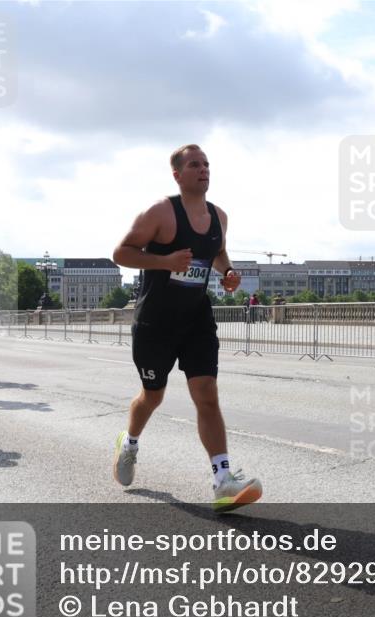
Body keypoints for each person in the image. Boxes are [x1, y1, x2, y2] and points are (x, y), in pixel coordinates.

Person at [112, 144, 262, 512]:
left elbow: (217, 253)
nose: (203, 169)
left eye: (207, 164)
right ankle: (128, 444)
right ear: (177, 174)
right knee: (153, 396)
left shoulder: (218, 216)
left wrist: (227, 273)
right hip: (155, 323)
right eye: (195, 164)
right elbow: (121, 253)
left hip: (196, 319)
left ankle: (223, 481)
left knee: (207, 394)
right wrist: (163, 260)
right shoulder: (161, 212)